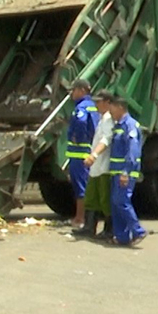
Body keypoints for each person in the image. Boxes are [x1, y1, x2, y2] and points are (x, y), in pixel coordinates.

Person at [102, 92, 147, 246]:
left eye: (112, 108)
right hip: (116, 172)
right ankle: (121, 237)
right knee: (115, 203)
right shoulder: (118, 126)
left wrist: (125, 172)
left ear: (120, 107)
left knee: (122, 201)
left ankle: (138, 231)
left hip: (125, 173)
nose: (110, 112)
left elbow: (132, 152)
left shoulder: (130, 125)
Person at [82, 89, 116, 239]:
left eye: (99, 102)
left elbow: (106, 140)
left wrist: (94, 155)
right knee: (91, 197)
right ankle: (89, 227)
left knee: (104, 199)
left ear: (108, 103)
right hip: (96, 167)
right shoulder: (102, 118)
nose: (96, 105)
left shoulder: (109, 120)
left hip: (104, 166)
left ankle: (109, 230)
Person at [64, 79, 98, 231]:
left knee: (80, 186)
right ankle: (82, 218)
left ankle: (80, 218)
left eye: (74, 90)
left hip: (79, 154)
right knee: (83, 185)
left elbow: (81, 121)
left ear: (82, 90)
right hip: (86, 151)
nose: (72, 93)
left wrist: (77, 136)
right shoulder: (92, 106)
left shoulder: (82, 107)